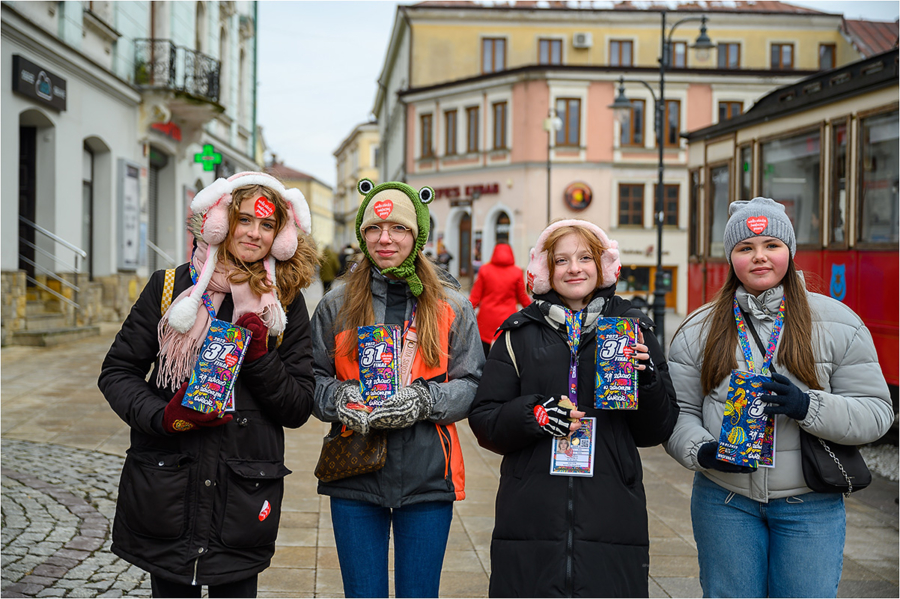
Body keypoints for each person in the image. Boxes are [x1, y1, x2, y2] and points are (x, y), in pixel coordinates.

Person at [98, 172, 319, 598]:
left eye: (268, 224)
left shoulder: (284, 304)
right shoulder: (169, 289)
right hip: (168, 489)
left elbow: (297, 406)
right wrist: (164, 417)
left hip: (241, 497)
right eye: (245, 220)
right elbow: (117, 372)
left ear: (281, 235)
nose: (254, 233)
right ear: (220, 221)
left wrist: (260, 359)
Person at [664, 197, 893, 598]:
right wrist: (701, 452)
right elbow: (678, 414)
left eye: (772, 245)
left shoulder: (840, 323)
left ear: (790, 251)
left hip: (810, 507)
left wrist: (808, 406)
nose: (760, 257)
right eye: (745, 248)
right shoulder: (698, 329)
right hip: (725, 502)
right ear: (731, 256)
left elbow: (877, 414)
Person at [468, 219, 679, 597]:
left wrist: (647, 381)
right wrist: (536, 414)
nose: (574, 268)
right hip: (531, 514)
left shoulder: (632, 330)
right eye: (561, 260)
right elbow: (485, 420)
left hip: (611, 510)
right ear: (546, 271)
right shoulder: (519, 334)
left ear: (603, 266)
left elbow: (657, 430)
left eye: (585, 257)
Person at [310, 179, 484, 598]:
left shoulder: (451, 305)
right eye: (374, 228)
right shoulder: (336, 304)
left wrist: (426, 400)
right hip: (355, 470)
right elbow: (313, 379)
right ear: (362, 234)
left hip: (428, 474)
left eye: (399, 229)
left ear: (417, 235)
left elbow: (472, 382)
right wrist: (338, 398)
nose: (384, 238)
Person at [469, 242, 532, 357]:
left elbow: (475, 297)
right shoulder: (516, 272)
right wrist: (535, 312)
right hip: (508, 319)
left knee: (482, 355)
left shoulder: (485, 270)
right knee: (506, 354)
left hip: (486, 319)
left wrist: (465, 313)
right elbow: (523, 298)